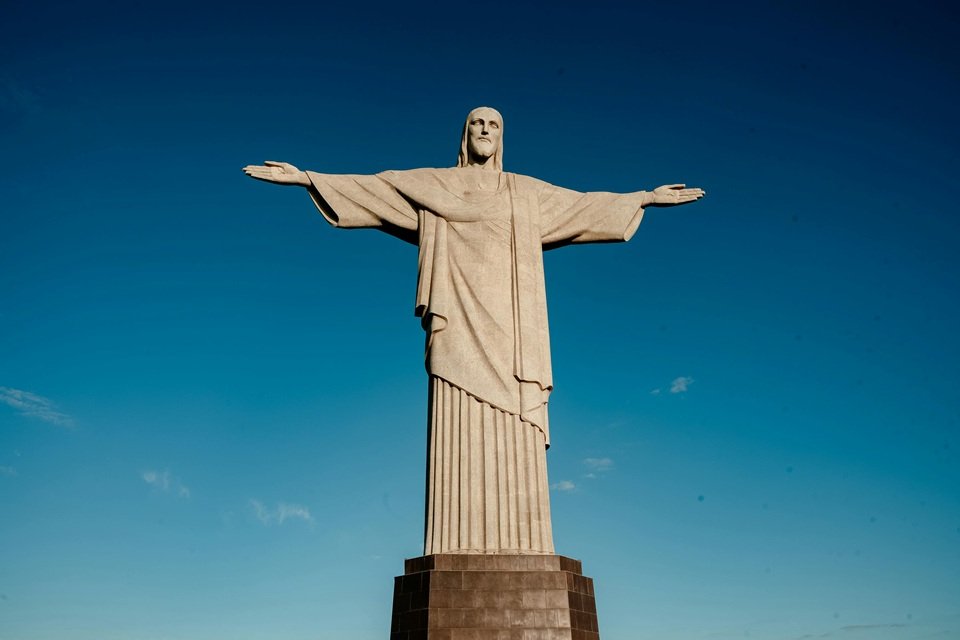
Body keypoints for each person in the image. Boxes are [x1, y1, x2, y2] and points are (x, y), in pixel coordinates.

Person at [244, 107, 704, 555]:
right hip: (458, 322)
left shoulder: (524, 193)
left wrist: (642, 197)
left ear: (502, 137)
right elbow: (377, 189)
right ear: (464, 135)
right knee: (455, 417)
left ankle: (526, 544)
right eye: (477, 123)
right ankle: (454, 541)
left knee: (516, 424)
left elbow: (582, 205)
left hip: (514, 329)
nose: (485, 130)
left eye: (494, 125)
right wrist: (307, 178)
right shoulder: (435, 185)